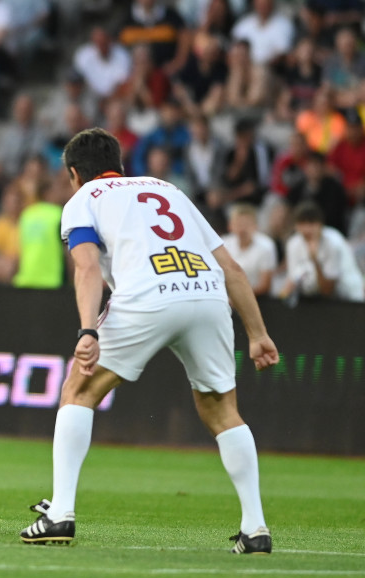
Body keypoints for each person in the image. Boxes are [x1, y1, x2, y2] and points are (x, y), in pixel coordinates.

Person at [20, 128, 280, 554]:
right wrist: (258, 333)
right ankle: (255, 528)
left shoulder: (83, 200)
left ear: (73, 173)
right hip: (206, 295)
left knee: (78, 389)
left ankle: (60, 514)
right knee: (223, 410)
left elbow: (86, 268)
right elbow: (230, 266)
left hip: (147, 295)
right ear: (118, 164)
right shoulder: (168, 189)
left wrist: (88, 331)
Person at [280, 201, 364, 303]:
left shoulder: (333, 242)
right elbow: (294, 279)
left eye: (311, 223)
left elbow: (327, 290)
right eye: (302, 223)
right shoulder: (293, 243)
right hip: (315, 299)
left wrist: (315, 261)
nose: (307, 229)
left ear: (320, 224)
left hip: (348, 297)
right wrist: (283, 296)